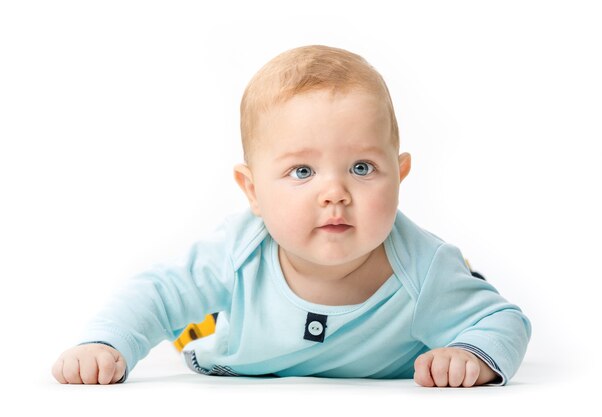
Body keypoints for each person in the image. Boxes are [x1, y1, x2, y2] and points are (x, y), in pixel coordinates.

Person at [52, 45, 531, 388]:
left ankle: (470, 278)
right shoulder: (240, 250)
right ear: (253, 191)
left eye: (362, 168)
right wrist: (106, 343)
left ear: (400, 175)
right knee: (190, 311)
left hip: (405, 335)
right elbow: (156, 293)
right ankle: (207, 318)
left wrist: (471, 355)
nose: (335, 194)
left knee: (462, 288)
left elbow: (503, 319)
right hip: (248, 340)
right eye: (302, 171)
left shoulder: (424, 265)